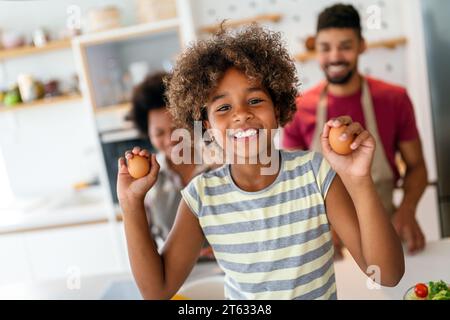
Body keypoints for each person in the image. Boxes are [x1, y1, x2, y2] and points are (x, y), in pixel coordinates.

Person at [117, 26, 404, 300]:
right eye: (224, 107)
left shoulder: (315, 174)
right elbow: (156, 291)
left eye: (255, 100)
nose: (241, 114)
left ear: (277, 108)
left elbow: (386, 274)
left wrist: (359, 180)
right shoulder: (201, 197)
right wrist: (131, 205)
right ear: (206, 125)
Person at [283, 4, 428, 256]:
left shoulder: (394, 99)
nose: (335, 56)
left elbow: (416, 166)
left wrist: (407, 209)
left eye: (346, 46)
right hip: (326, 242)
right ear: (315, 49)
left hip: (386, 231)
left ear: (362, 45)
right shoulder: (298, 109)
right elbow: (292, 184)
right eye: (325, 48)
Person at [130, 72, 213, 258]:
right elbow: (143, 247)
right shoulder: (146, 182)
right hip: (179, 279)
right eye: (159, 133)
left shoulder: (219, 164)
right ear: (148, 133)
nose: (170, 140)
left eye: (176, 129)